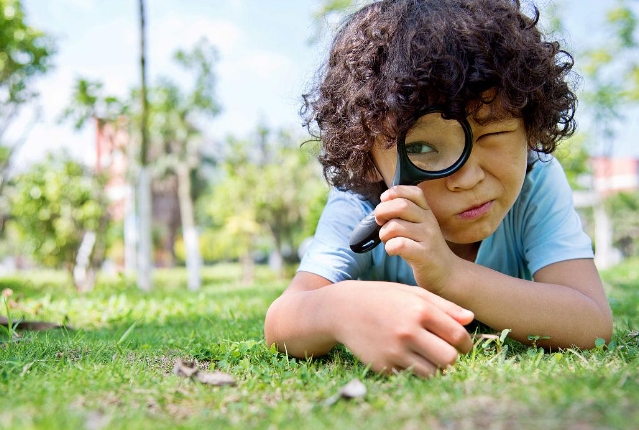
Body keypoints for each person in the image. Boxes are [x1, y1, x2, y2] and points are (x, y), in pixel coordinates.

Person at [264, 0, 613, 377]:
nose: (467, 178)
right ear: (367, 157)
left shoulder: (537, 178)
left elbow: (591, 320)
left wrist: (450, 275)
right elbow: (282, 320)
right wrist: (339, 308)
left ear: (531, 126)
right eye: (422, 148)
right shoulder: (361, 203)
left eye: (494, 133)